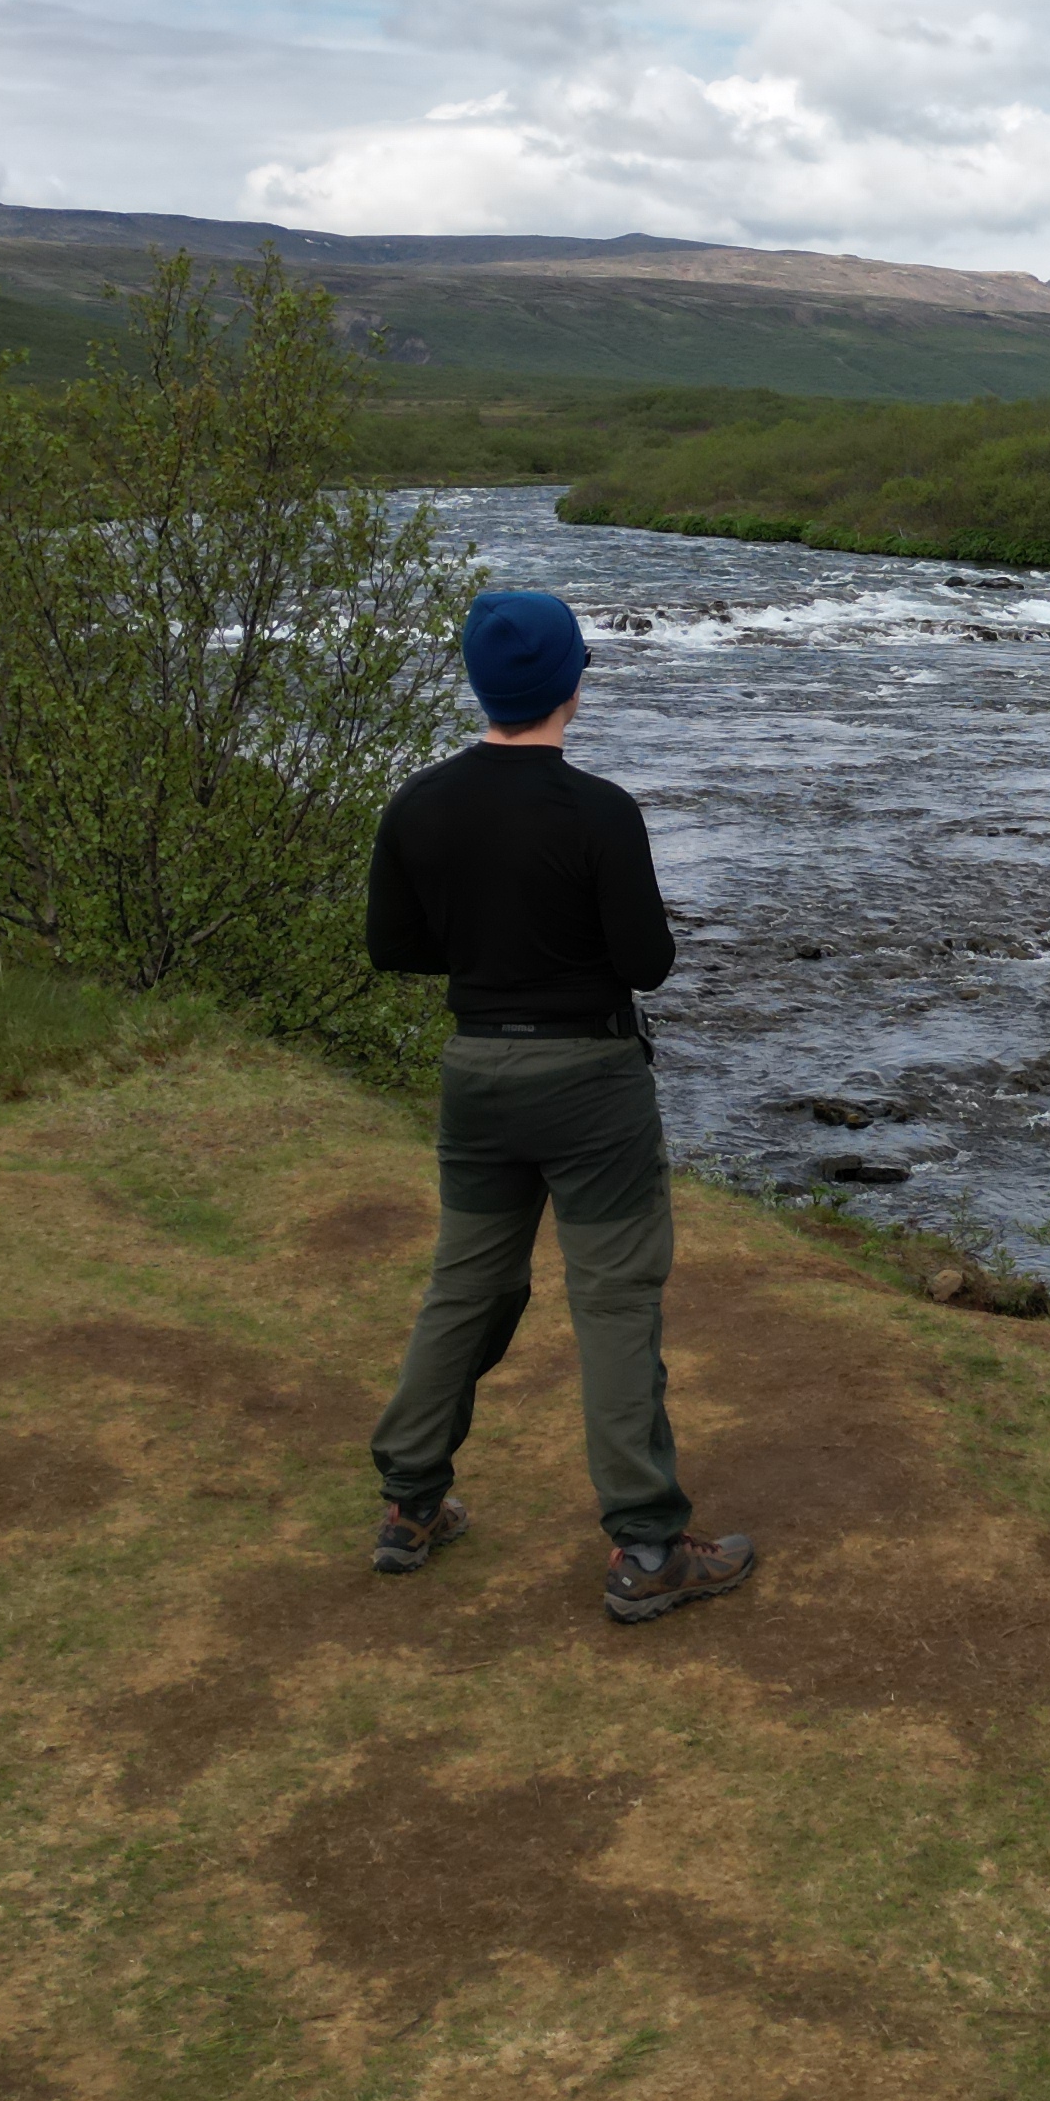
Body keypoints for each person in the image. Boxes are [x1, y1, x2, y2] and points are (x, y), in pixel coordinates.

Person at [361, 587, 757, 1624]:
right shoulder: (599, 811)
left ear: (482, 683)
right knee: (615, 1304)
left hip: (477, 1077)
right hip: (591, 1085)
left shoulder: (418, 803)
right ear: (570, 683)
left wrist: (490, 951)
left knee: (469, 1290)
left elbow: (394, 949)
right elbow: (650, 965)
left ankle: (409, 1504)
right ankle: (647, 1548)